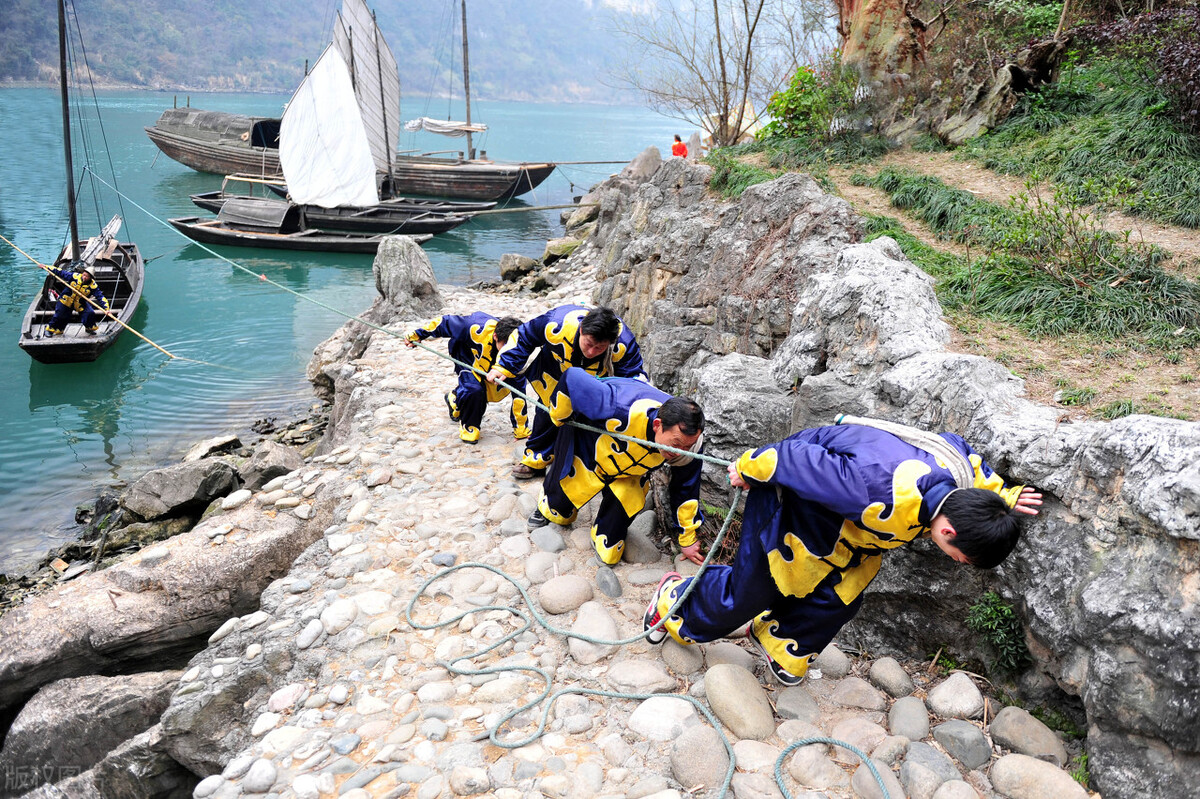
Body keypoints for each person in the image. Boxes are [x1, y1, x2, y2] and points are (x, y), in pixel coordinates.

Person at [644, 419, 1043, 686]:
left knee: (842, 595)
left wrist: (1002, 499)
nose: (960, 563)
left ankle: (780, 639)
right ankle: (673, 600)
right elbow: (798, 458)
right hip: (794, 508)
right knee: (749, 592)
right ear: (950, 531)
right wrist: (751, 468)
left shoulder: (958, 484)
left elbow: (966, 457)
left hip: (849, 534)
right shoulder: (873, 488)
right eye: (964, 557)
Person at [527, 367, 706, 566]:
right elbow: (573, 377)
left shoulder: (691, 445)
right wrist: (559, 415)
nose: (681, 452)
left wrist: (687, 538)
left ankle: (604, 531)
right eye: (676, 444)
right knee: (558, 508)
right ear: (657, 425)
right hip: (590, 448)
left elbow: (686, 489)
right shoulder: (615, 405)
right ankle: (547, 506)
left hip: (634, 471)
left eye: (686, 447)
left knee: (610, 549)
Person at [486, 305, 646, 479]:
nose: (591, 352)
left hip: (598, 382)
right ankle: (537, 458)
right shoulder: (557, 322)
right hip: (556, 370)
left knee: (592, 422)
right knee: (547, 412)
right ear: (582, 330)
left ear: (610, 343)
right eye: (589, 344)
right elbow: (524, 336)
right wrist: (503, 366)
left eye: (599, 348)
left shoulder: (623, 344)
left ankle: (585, 466)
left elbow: (632, 379)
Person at [405, 312, 529, 444]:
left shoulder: (517, 352)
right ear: (495, 336)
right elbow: (444, 322)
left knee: (499, 385)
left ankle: (454, 398)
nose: (509, 350)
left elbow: (519, 392)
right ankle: (470, 427)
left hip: (491, 361)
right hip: (466, 354)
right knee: (474, 389)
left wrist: (521, 429)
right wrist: (418, 334)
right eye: (505, 346)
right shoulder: (472, 327)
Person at [45, 263, 109, 337]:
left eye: (87, 276)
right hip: (66, 300)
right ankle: (51, 329)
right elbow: (60, 272)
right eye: (84, 275)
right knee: (59, 315)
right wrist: (46, 267)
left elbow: (100, 297)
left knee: (89, 313)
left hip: (79, 303)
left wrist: (106, 309)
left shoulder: (93, 286)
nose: (84, 277)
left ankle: (89, 328)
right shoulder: (74, 276)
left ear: (90, 278)